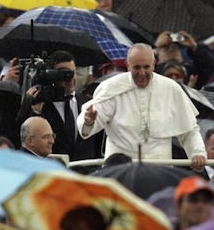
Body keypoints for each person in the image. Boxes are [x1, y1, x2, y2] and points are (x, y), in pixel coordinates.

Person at [77, 44, 206, 169]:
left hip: (159, 166)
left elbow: (189, 129)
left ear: (154, 65)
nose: (142, 73)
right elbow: (89, 124)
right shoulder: (111, 87)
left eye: (146, 67)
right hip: (120, 166)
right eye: (137, 67)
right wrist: (89, 122)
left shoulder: (170, 88)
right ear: (128, 66)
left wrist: (197, 153)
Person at [17, 50, 102, 162]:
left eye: (73, 72)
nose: (70, 78)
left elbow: (97, 144)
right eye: (64, 73)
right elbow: (25, 139)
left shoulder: (88, 104)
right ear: (52, 75)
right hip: (54, 171)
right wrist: (35, 111)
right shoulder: (41, 104)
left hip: (84, 171)